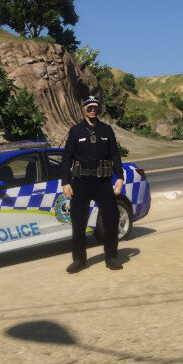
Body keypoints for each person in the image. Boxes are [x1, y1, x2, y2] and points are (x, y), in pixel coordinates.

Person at [61, 95, 125, 272]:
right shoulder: (75, 131)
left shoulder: (106, 130)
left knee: (111, 219)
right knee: (78, 223)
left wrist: (120, 177)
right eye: (89, 107)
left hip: (103, 183)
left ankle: (111, 257)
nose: (93, 110)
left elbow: (114, 154)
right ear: (83, 109)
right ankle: (79, 260)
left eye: (95, 107)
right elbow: (67, 158)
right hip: (81, 183)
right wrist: (65, 182)